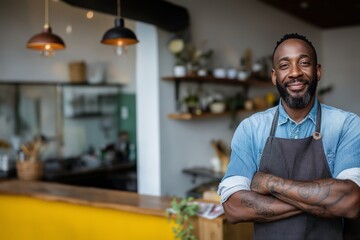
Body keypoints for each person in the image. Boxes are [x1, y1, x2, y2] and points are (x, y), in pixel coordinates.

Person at [217, 33, 360, 240]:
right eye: (285, 66)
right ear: (274, 76)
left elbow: (351, 201)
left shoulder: (346, 125)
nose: (295, 73)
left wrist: (269, 183)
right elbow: (233, 207)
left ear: (318, 71)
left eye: (304, 63)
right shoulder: (250, 128)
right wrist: (324, 201)